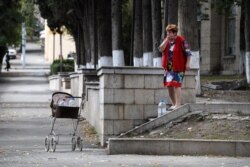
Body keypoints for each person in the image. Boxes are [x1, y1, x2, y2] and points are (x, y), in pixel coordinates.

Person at [159, 24, 192, 110]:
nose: (168, 34)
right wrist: (166, 40)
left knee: (177, 85)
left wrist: (187, 63)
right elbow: (161, 49)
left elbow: (188, 53)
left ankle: (178, 105)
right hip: (168, 68)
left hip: (178, 66)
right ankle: (174, 104)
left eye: (170, 32)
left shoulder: (181, 40)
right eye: (167, 32)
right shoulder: (167, 41)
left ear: (175, 33)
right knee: (169, 86)